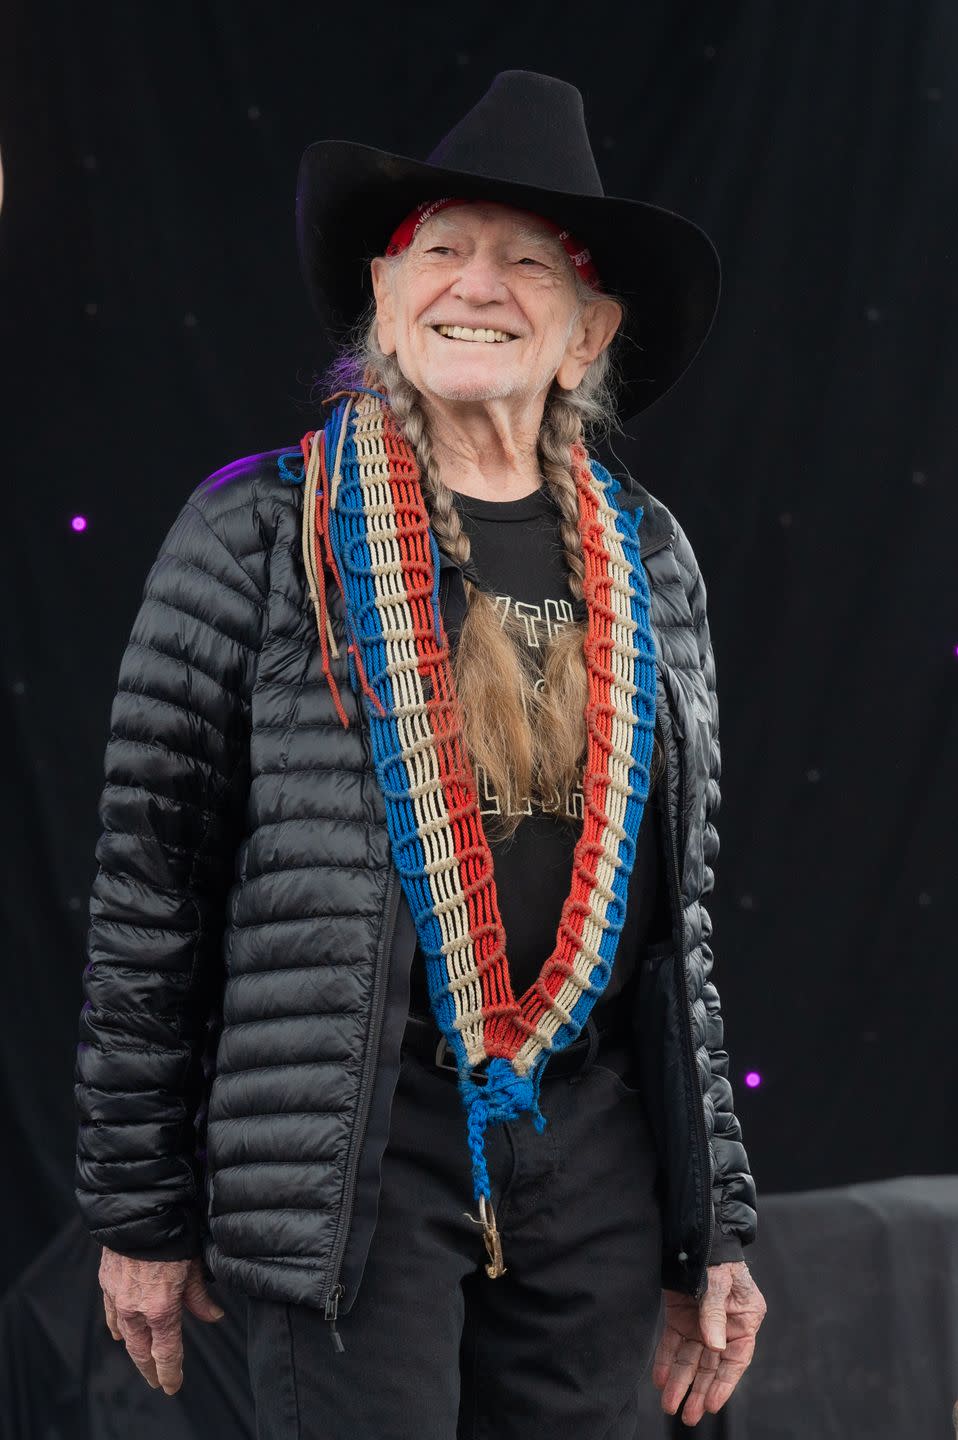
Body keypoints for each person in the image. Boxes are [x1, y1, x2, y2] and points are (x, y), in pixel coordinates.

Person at [75, 69, 766, 1436]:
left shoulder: (652, 561)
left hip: (588, 1142)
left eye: (527, 260)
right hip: (354, 1139)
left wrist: (712, 1227)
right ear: (382, 305)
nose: (478, 284)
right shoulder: (258, 540)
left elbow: (674, 931)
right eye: (440, 248)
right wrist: (137, 1211)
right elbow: (146, 894)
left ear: (587, 332)